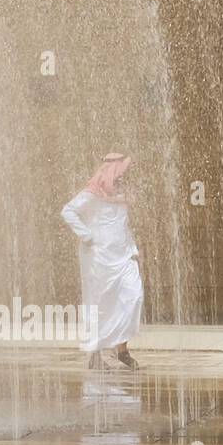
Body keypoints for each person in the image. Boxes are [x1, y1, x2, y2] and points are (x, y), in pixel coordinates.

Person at [60, 153, 143, 370]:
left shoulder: (123, 196)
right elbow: (68, 211)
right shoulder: (92, 194)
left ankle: (121, 348)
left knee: (133, 297)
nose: (125, 177)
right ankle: (95, 355)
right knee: (100, 305)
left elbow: (121, 226)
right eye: (122, 172)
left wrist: (132, 249)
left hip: (123, 257)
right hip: (99, 259)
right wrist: (87, 236)